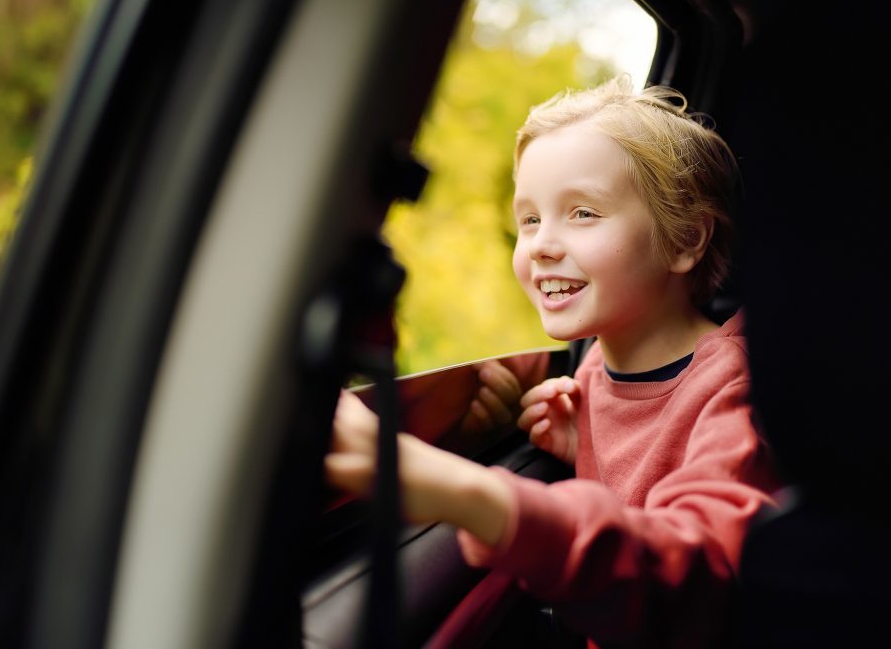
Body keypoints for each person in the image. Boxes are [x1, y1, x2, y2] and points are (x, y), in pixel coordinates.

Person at [325, 74, 782, 648]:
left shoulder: (742, 387)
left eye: (583, 213)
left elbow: (695, 580)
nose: (540, 244)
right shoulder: (593, 368)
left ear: (686, 239)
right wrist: (582, 447)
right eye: (530, 219)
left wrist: (457, 488)